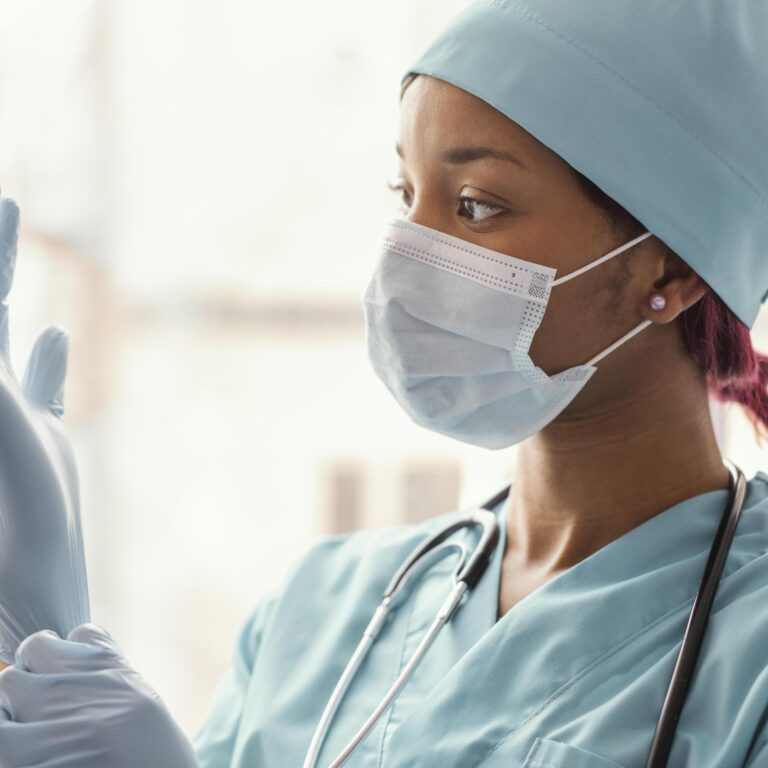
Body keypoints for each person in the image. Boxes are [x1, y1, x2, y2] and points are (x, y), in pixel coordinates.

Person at [0, 1, 767, 766]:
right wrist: (42, 643)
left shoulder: (751, 655)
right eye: (405, 195)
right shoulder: (322, 612)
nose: (405, 254)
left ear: (669, 266)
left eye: (475, 206)